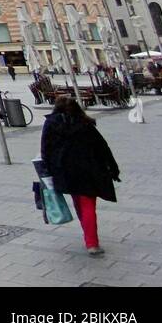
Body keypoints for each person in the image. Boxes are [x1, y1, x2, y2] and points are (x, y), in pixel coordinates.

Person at [41, 94, 120, 256]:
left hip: (64, 171)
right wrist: (113, 168)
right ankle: (91, 242)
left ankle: (89, 237)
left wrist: (47, 171)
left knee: (79, 202)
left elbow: (45, 150)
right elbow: (103, 147)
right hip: (89, 169)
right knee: (87, 205)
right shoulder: (85, 124)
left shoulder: (51, 124)